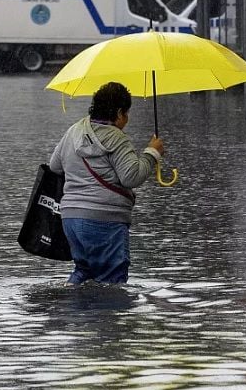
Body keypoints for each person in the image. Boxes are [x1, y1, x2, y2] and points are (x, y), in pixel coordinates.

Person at [48, 81, 165, 285]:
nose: (126, 119)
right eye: (126, 113)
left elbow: (55, 166)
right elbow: (131, 177)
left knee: (83, 271)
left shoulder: (74, 131)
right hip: (104, 220)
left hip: (71, 219)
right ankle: (106, 316)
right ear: (119, 112)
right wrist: (152, 153)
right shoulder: (117, 138)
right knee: (113, 280)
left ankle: (72, 312)